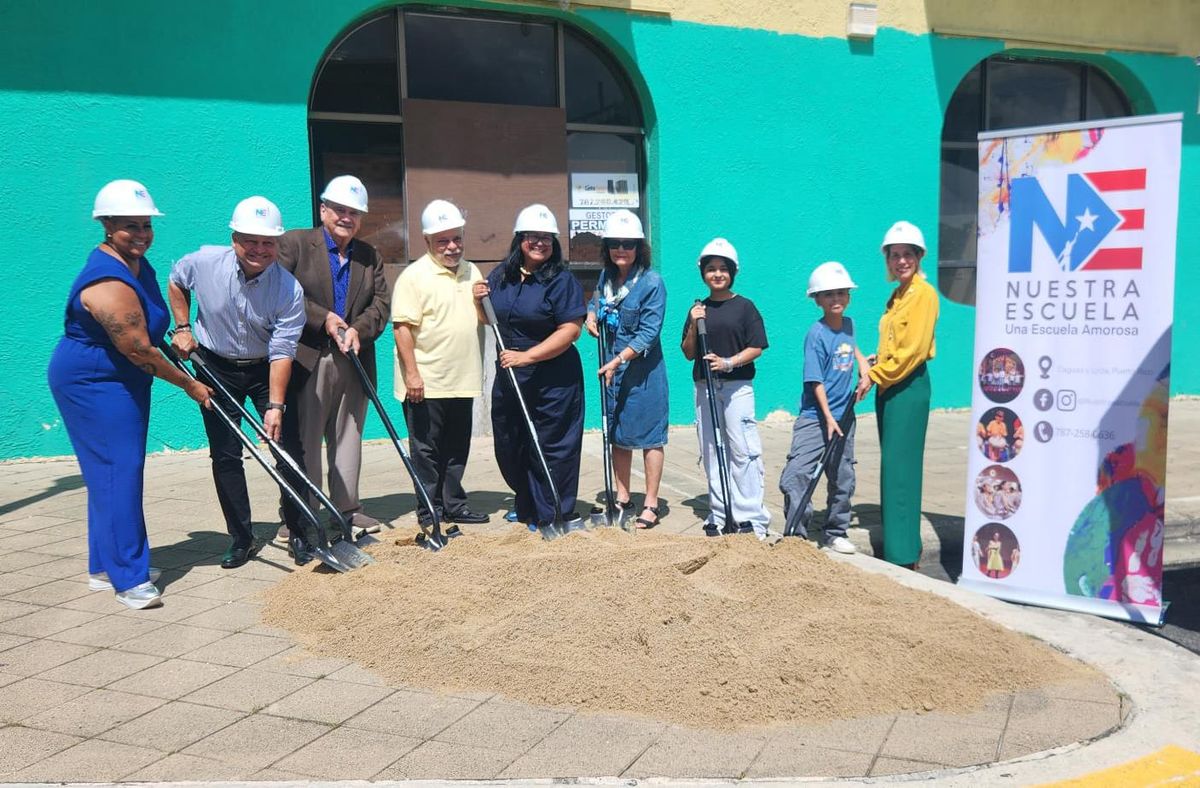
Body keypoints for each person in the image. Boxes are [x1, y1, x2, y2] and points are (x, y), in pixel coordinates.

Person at [47, 180, 212, 610]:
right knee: (121, 470)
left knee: (110, 472)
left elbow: (150, 328)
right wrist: (189, 384)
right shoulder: (107, 281)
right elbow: (137, 348)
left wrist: (179, 334)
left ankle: (105, 566)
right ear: (105, 225)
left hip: (124, 377)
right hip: (94, 380)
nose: (141, 233)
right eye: (128, 226)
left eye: (146, 225)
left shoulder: (139, 264)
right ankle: (129, 578)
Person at [168, 197, 306, 569]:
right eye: (251, 240)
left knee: (287, 449)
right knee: (226, 454)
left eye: (268, 243)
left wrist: (275, 406)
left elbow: (282, 352)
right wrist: (182, 327)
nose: (259, 250)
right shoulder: (204, 263)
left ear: (277, 245)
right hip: (215, 366)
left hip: (264, 368)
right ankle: (241, 538)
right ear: (234, 239)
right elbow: (176, 281)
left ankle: (299, 532)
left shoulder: (288, 290)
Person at [277, 175, 390, 541]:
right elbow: (280, 292)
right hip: (308, 357)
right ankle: (301, 511)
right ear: (323, 209)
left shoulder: (369, 256)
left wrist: (358, 328)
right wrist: (322, 318)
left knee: (348, 435)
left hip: (352, 357)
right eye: (340, 210)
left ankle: (346, 508)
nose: (347, 218)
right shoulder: (294, 244)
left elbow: (381, 305)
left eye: (354, 213)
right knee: (305, 439)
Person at [474, 204, 585, 532]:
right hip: (511, 376)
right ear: (520, 239)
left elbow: (571, 330)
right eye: (533, 237)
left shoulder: (562, 280)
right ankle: (526, 502)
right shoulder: (501, 275)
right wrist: (476, 299)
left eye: (547, 238)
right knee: (511, 442)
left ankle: (552, 512)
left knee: (551, 445)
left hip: (553, 378)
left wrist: (529, 356)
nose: (540, 243)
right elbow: (487, 319)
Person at [390, 200, 488, 528]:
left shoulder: (472, 271)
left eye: (456, 238)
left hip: (462, 378)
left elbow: (485, 319)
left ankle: (454, 505)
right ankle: (429, 511)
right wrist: (412, 375)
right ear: (427, 242)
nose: (452, 247)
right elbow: (402, 329)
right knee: (426, 452)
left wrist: (481, 299)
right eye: (443, 241)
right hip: (425, 382)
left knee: (456, 448)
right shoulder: (413, 276)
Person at [856, 221, 940, 569]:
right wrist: (880, 361)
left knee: (901, 469)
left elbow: (914, 351)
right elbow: (897, 346)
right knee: (893, 469)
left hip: (907, 386)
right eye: (895, 255)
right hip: (891, 385)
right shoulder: (898, 296)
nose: (901, 261)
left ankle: (903, 555)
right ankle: (900, 545)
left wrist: (875, 373)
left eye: (907, 254)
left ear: (919, 257)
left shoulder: (923, 295)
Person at [680, 238, 771, 538]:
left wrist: (729, 362)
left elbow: (757, 346)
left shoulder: (745, 307)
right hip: (704, 387)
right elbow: (688, 351)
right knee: (711, 450)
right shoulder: (697, 308)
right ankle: (719, 514)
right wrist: (694, 323)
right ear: (703, 273)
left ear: (732, 272)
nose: (717, 274)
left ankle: (750, 518)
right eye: (711, 269)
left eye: (722, 269)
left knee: (742, 451)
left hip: (737, 387)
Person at [585, 209, 668, 529]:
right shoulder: (607, 278)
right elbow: (597, 302)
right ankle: (622, 496)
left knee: (650, 437)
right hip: (612, 372)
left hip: (642, 374)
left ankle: (650, 503)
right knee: (618, 436)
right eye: (615, 243)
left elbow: (649, 332)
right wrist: (591, 316)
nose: (622, 249)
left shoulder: (652, 282)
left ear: (639, 248)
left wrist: (619, 360)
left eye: (629, 244)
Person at [778, 262, 868, 553]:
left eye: (841, 293)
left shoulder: (849, 325)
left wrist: (864, 364)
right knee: (798, 475)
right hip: (816, 417)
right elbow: (815, 381)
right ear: (817, 299)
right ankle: (796, 536)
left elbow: (850, 347)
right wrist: (828, 418)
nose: (836, 299)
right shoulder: (815, 334)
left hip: (845, 416)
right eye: (828, 295)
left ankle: (835, 531)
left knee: (843, 476)